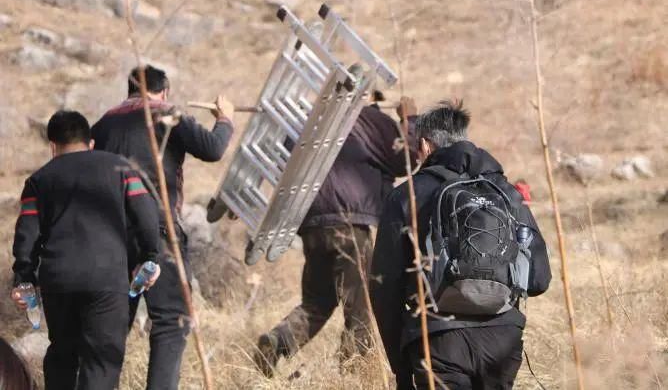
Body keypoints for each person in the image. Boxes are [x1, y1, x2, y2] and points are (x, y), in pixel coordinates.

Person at [370, 100, 552, 390]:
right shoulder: (505, 193)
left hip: (439, 340)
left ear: (426, 146)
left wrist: (401, 367)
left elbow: (384, 289)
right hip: (503, 339)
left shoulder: (406, 195)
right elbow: (540, 279)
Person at [253, 87, 418, 377]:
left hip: (312, 227)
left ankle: (278, 341)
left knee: (317, 302)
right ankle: (356, 373)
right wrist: (410, 120)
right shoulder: (368, 120)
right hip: (350, 227)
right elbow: (409, 157)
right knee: (362, 306)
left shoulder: (309, 123)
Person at [91, 64, 235, 390]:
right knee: (171, 320)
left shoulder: (103, 125)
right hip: (159, 228)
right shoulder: (167, 114)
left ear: (128, 91)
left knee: (113, 323)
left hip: (111, 233)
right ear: (164, 91)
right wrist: (225, 119)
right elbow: (212, 148)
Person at [10, 110, 161, 390]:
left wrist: (24, 279)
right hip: (106, 278)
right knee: (102, 362)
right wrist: (150, 257)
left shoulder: (38, 181)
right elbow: (147, 215)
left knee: (62, 356)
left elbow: (26, 236)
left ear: (52, 146)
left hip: (59, 282)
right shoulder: (121, 168)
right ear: (91, 143)